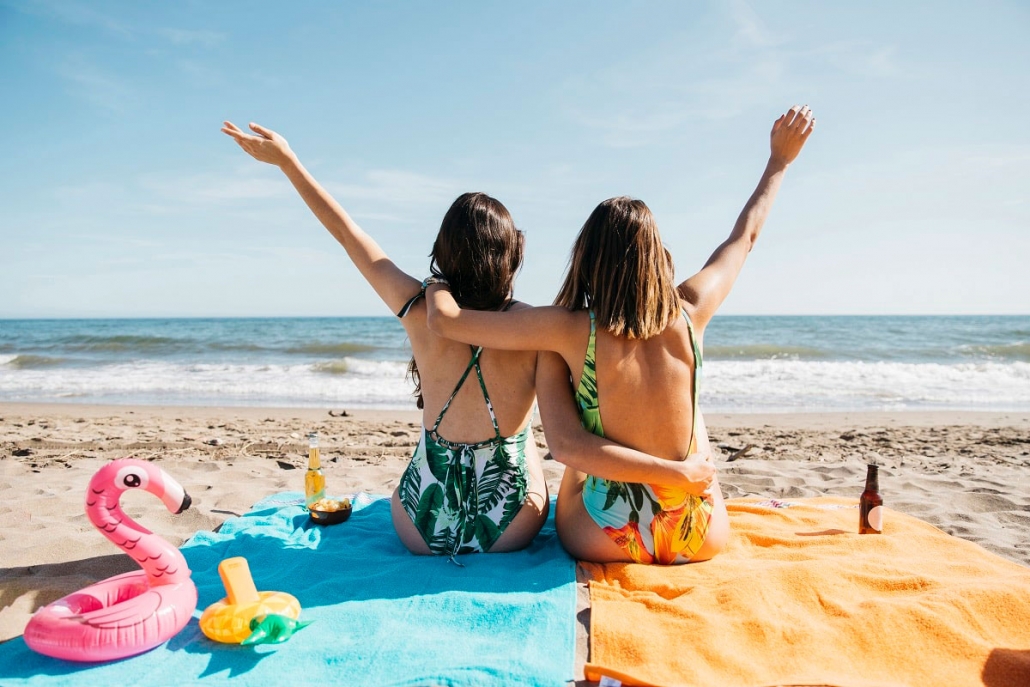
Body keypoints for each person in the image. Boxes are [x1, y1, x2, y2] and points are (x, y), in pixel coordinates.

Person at [221, 121, 702, 559]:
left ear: (442, 250)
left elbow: (349, 236)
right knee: (527, 439)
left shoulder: (418, 309)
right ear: (512, 254)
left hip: (419, 525)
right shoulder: (537, 330)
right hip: (511, 526)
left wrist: (289, 162)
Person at [425, 105, 816, 564]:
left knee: (575, 456)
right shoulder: (692, 311)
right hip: (697, 534)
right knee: (695, 420)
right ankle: (680, 480)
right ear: (656, 255)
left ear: (586, 257)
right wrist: (779, 162)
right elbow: (744, 237)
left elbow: (447, 322)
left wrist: (437, 282)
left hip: (608, 537)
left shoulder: (569, 328)